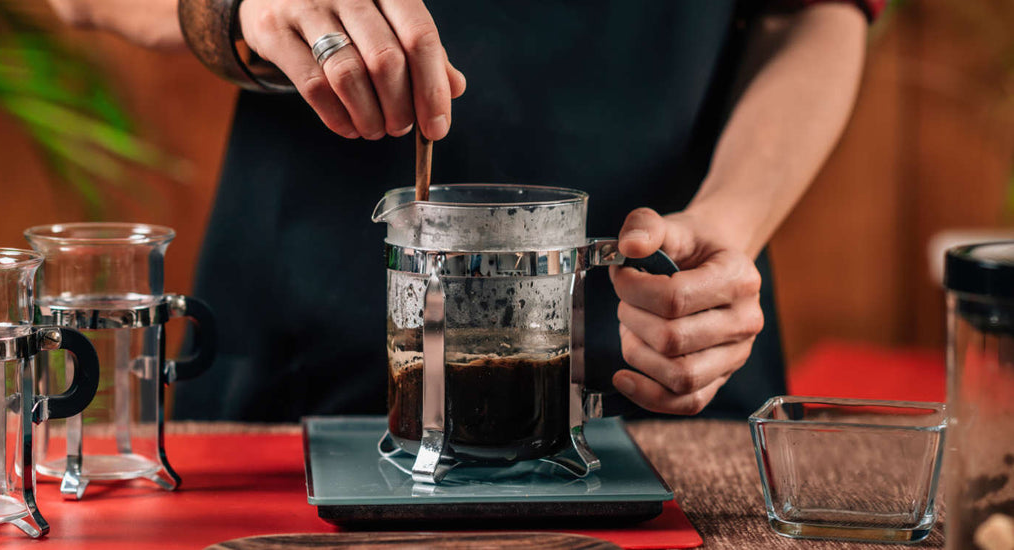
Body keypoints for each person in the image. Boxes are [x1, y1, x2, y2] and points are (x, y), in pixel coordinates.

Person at [48, 0, 881, 421]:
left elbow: (813, 10)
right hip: (295, 384)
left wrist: (730, 224)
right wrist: (239, 8)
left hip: (665, 363)